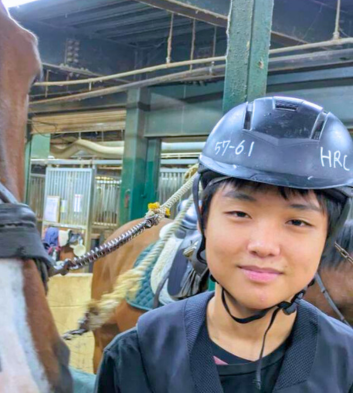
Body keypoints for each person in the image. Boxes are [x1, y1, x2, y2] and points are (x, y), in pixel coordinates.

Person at [95, 96, 353, 392]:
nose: (263, 246)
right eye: (240, 213)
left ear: (327, 236)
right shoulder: (135, 357)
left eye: (297, 222)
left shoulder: (346, 368)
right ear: (204, 220)